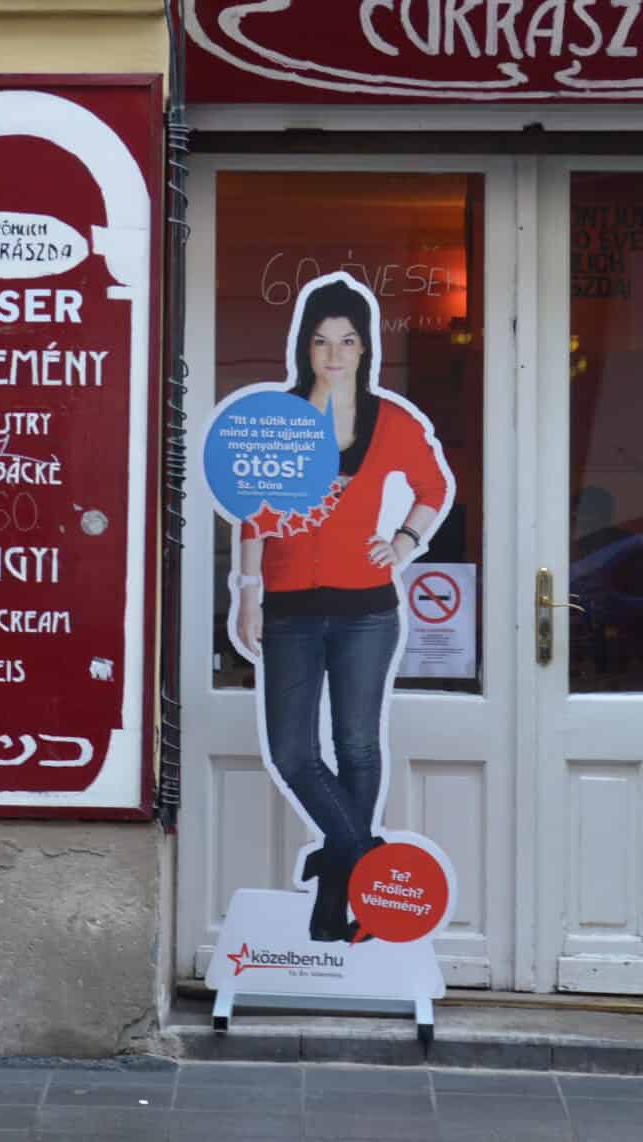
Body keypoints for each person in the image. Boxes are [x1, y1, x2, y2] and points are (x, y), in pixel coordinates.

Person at [229, 275, 452, 943]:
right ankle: (364, 854)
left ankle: (333, 905)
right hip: (291, 607)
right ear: (306, 347)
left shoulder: (392, 421)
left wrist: (405, 542)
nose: (334, 353)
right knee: (294, 751)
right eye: (322, 341)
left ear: (364, 349)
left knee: (357, 745)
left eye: (347, 341)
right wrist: (248, 592)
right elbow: (252, 508)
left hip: (366, 611)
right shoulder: (279, 416)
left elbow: (433, 485)